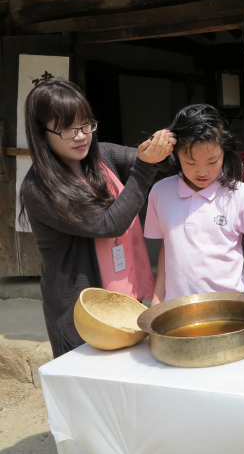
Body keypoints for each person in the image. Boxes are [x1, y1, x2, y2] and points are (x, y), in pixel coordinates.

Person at [19, 79, 176, 358]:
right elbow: (108, 224)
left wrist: (162, 146)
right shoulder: (39, 187)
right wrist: (144, 168)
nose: (80, 136)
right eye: (67, 129)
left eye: (86, 125)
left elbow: (162, 166)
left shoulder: (103, 155)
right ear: (42, 133)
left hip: (126, 301)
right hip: (82, 317)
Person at [145, 104, 244, 305]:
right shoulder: (160, 192)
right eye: (191, 162)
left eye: (212, 161)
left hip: (232, 309)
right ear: (176, 153)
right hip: (178, 309)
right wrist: (158, 298)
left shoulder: (241, 195)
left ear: (224, 152)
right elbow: (167, 246)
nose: (202, 172)